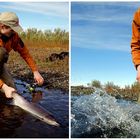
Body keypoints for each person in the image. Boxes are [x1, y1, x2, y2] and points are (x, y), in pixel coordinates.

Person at [0, 12, 44, 99]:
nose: (14, 32)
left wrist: (35, 71)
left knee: (12, 90)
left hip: (1, 65)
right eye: (12, 29)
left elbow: (25, 54)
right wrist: (3, 87)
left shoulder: (14, 36)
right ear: (2, 26)